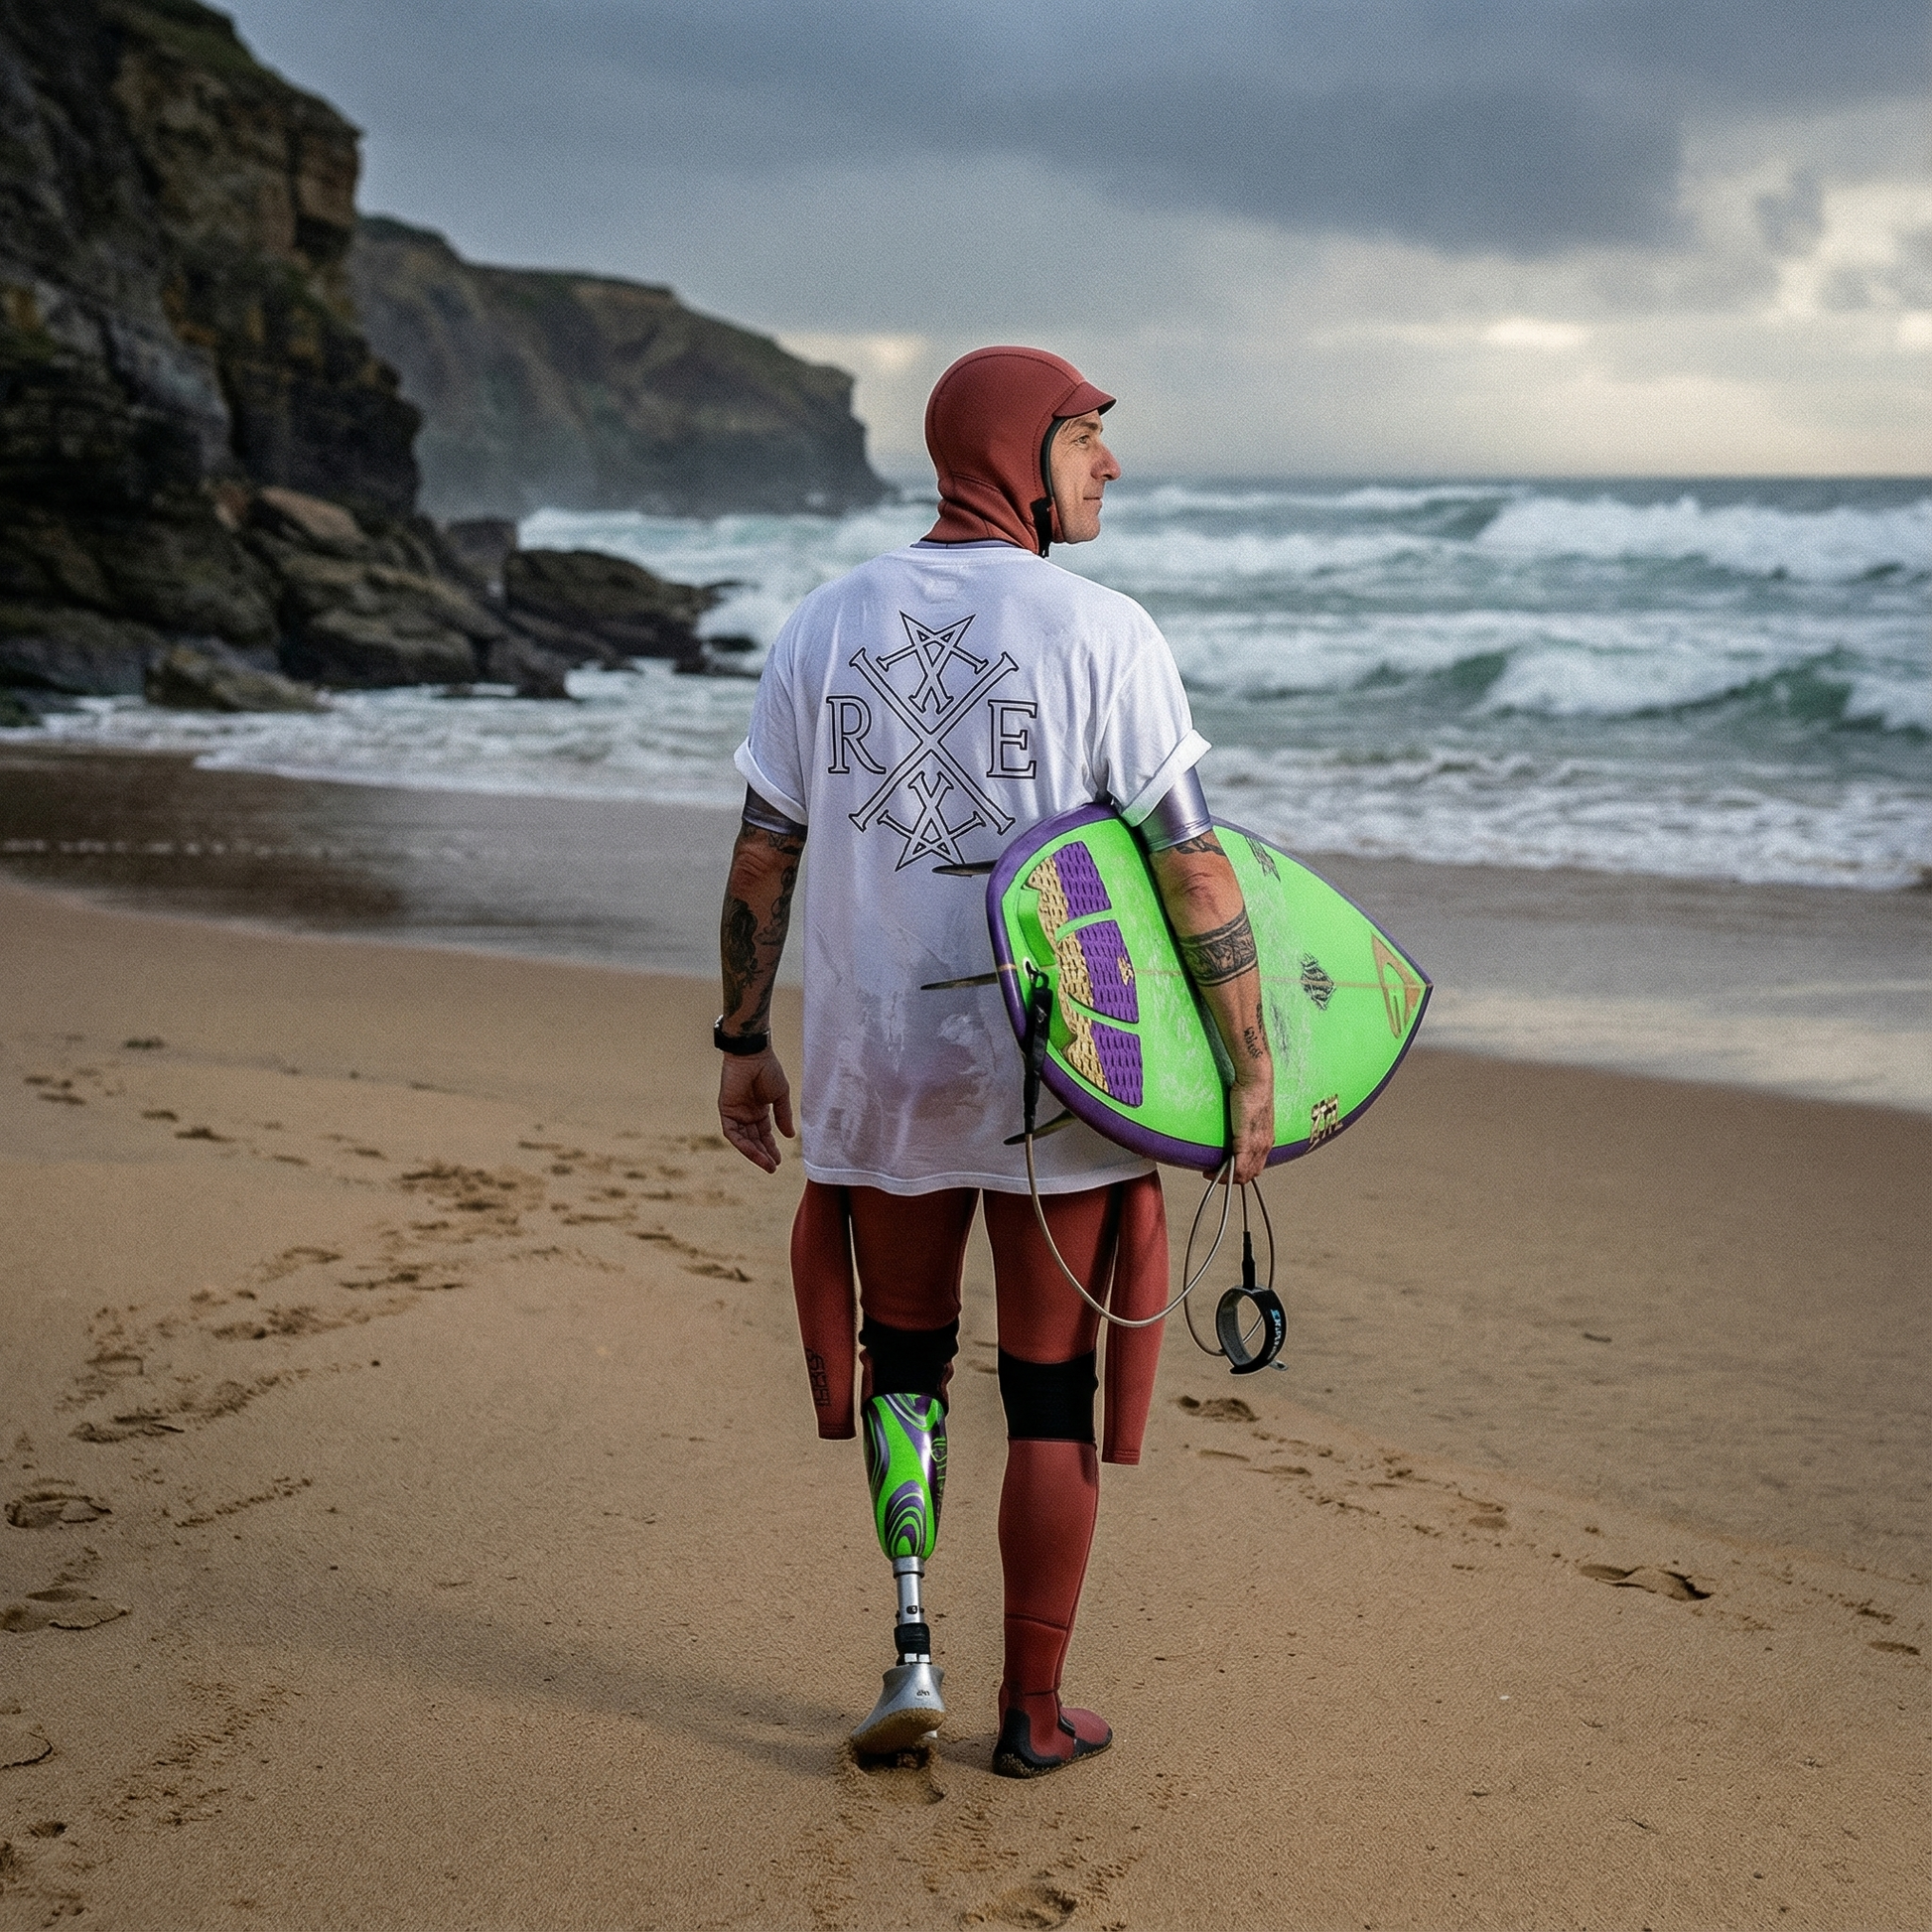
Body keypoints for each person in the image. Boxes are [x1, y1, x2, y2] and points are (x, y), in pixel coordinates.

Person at [715, 345, 1273, 1777]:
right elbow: (1194, 870)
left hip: (875, 1068)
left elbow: (762, 856)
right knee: (1043, 1387)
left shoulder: (821, 625)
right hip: (1049, 1078)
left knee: (903, 1359)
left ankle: (910, 1650)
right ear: (1017, 449)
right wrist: (1248, 1067)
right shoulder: (1104, 632)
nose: (1110, 465)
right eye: (1087, 437)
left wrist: (739, 1040)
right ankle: (1030, 1708)